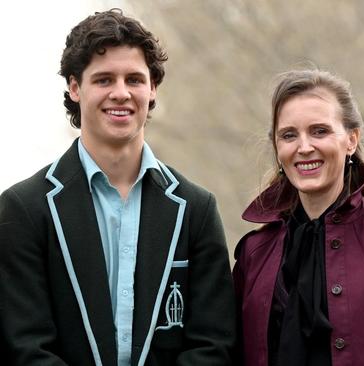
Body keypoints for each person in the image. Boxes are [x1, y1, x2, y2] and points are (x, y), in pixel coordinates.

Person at [0, 9, 235, 365]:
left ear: (153, 88)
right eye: (104, 79)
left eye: (135, 79)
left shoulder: (196, 209)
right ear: (75, 88)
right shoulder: (23, 209)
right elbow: (25, 348)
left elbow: (213, 346)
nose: (121, 93)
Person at [233, 69, 364, 366]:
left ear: (351, 140)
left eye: (320, 131)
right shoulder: (254, 253)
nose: (304, 147)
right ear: (278, 148)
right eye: (289, 135)